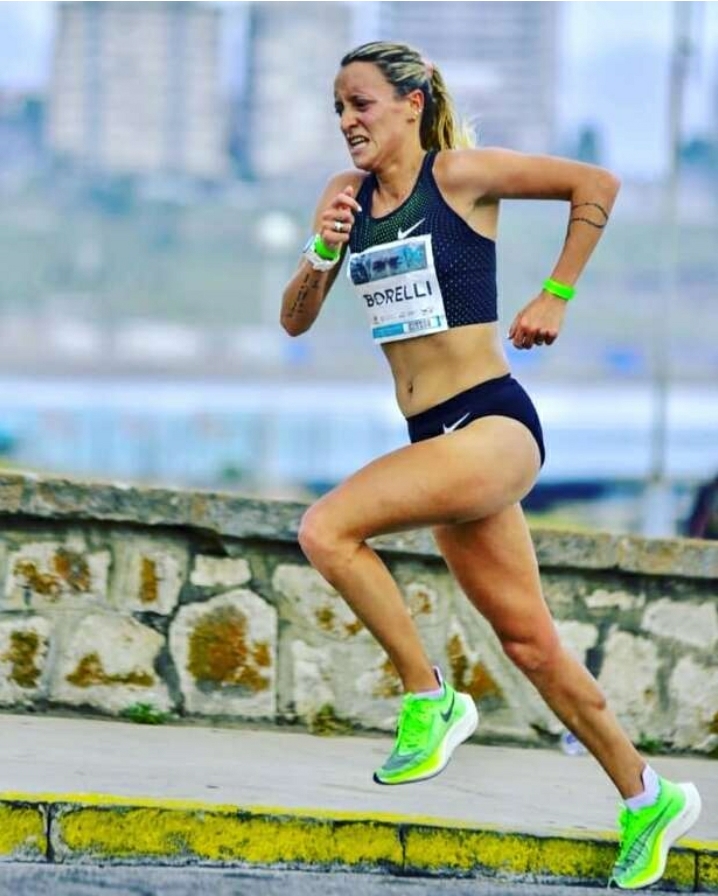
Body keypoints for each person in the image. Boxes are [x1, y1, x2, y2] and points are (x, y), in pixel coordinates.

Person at [279, 41, 701, 890]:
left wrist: (557, 294)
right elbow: (294, 320)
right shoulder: (344, 197)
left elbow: (597, 184)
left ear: (411, 103)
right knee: (530, 643)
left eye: (361, 103)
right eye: (338, 109)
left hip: (492, 424)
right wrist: (322, 253)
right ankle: (647, 796)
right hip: (434, 440)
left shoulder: (460, 177)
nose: (348, 121)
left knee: (327, 530)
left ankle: (429, 698)